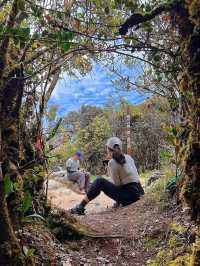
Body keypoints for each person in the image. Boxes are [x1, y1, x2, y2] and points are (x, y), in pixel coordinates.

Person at [70, 137, 144, 215]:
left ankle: (80, 207)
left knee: (99, 181)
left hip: (130, 197)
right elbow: (131, 178)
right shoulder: (129, 157)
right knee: (101, 181)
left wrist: (107, 178)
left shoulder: (112, 162)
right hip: (139, 193)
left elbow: (117, 184)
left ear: (108, 149)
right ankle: (118, 202)